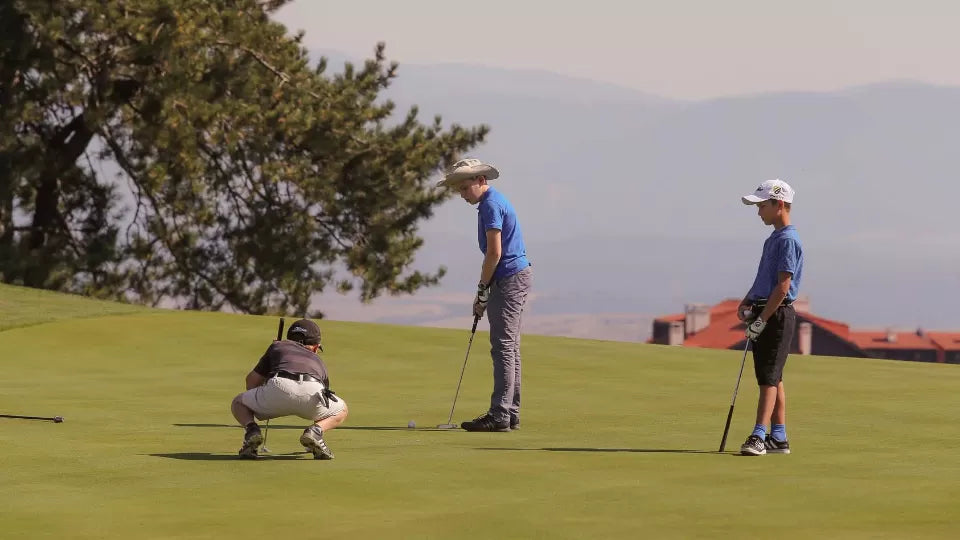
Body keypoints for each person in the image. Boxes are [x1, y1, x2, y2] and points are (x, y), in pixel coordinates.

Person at [438, 158, 532, 432]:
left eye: (465, 188)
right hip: (514, 276)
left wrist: (482, 290)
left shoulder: (491, 204)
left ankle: (500, 414)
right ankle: (510, 412)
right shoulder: (493, 201)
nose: (462, 194)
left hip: (508, 277)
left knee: (503, 345)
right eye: (459, 190)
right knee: (510, 346)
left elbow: (494, 253)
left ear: (480, 181)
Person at [737, 179, 804, 456]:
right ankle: (779, 437)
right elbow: (764, 279)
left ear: (779, 205)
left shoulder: (788, 240)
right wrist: (747, 301)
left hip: (777, 314)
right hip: (766, 309)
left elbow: (783, 286)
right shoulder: (773, 239)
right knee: (774, 378)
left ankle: (758, 436)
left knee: (767, 379)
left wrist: (762, 319)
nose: (758, 212)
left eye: (762, 205)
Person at [230, 318, 348, 459]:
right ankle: (315, 432)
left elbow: (251, 381)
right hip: (313, 391)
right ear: (316, 347)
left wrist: (261, 394)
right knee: (342, 410)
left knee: (238, 402)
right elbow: (326, 395)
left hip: (278, 387)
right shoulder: (319, 361)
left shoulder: (277, 347)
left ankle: (252, 430)